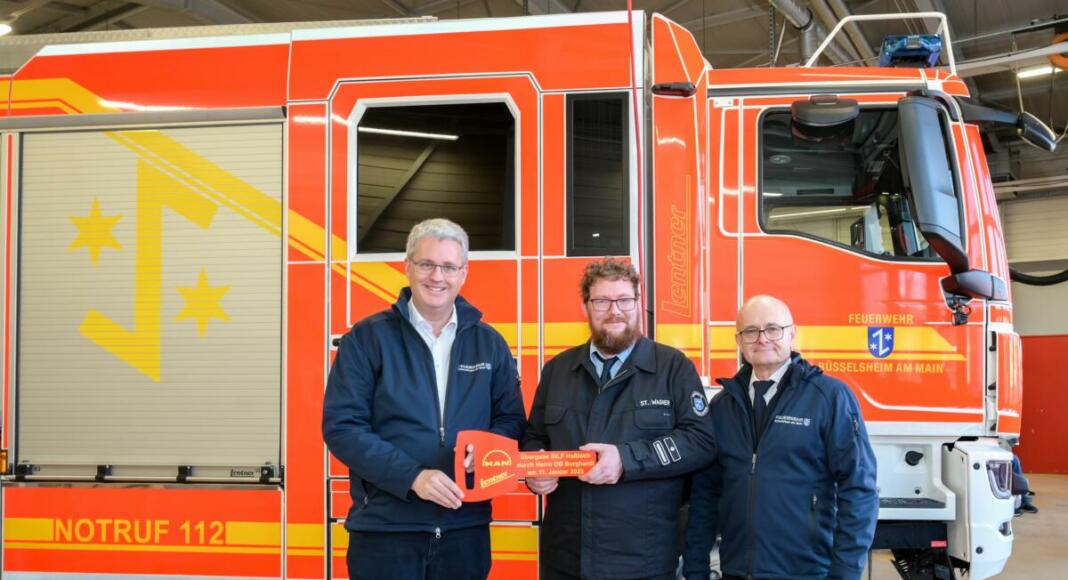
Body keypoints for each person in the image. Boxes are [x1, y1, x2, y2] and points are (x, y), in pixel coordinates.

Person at [322, 218, 525, 580]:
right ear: (408, 267)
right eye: (427, 264)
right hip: (386, 530)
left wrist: (490, 447)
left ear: (463, 273)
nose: (437, 277)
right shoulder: (367, 338)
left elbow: (511, 419)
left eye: (449, 267)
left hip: (466, 530)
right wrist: (412, 477)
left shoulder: (489, 342)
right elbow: (343, 427)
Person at [522, 258, 717, 580]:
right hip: (565, 558)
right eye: (602, 301)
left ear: (638, 304)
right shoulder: (558, 370)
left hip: (643, 561)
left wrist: (626, 459)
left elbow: (700, 441)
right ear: (586, 307)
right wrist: (535, 470)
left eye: (624, 300)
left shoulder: (672, 367)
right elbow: (535, 437)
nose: (614, 311)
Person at [684, 295, 878, 580]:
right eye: (750, 331)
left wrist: (846, 572)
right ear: (738, 340)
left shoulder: (829, 397)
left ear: (792, 333)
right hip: (736, 571)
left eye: (773, 329)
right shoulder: (723, 406)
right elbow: (706, 495)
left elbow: (859, 490)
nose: (762, 339)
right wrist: (695, 567)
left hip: (806, 572)